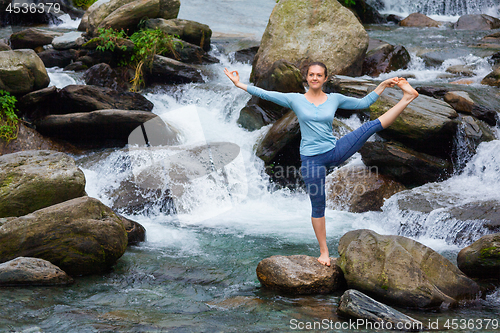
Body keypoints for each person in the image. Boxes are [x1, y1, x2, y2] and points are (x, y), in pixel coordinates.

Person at [224, 62, 419, 266]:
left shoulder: (334, 99)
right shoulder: (295, 99)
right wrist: (239, 84)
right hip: (311, 160)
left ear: (325, 79)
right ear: (306, 78)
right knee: (318, 206)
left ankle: (407, 98)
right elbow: (266, 94)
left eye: (319, 75)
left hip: (335, 151)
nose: (315, 78)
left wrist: (382, 85)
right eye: (311, 74)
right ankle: (324, 252)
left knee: (370, 126)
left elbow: (364, 103)